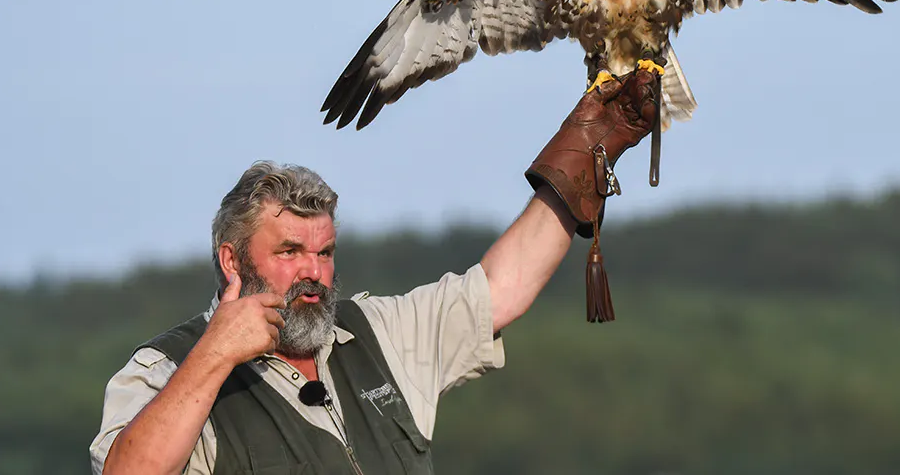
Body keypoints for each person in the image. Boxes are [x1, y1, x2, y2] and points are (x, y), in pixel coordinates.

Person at [90, 69, 658, 475]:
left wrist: (582, 158)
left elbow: (499, 290)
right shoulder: (163, 369)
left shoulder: (374, 333)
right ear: (231, 261)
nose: (313, 272)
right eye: (289, 252)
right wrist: (215, 355)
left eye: (325, 252)